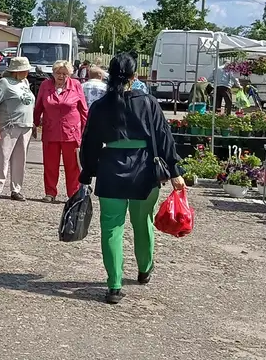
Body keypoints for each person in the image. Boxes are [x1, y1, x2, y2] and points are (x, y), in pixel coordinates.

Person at [79, 53, 186, 305]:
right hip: (144, 168)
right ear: (134, 76)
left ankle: (114, 284)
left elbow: (90, 143)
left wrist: (86, 172)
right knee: (143, 222)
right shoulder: (148, 102)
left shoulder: (100, 105)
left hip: (110, 168)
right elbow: (164, 138)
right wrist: (175, 172)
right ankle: (144, 268)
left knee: (111, 228)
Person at [33, 59, 88, 202]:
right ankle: (50, 193)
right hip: (51, 131)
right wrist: (34, 122)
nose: (61, 76)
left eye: (64, 73)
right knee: (50, 165)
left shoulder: (76, 85)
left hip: (71, 132)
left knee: (72, 167)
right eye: (58, 73)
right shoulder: (46, 85)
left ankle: (73, 194)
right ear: (53, 73)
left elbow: (83, 109)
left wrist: (86, 130)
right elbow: (38, 106)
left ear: (69, 74)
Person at [0, 57, 36, 201]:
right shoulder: (4, 83)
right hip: (8, 126)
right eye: (25, 69)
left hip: (25, 126)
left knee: (20, 160)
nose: (28, 72)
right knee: (1, 158)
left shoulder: (25, 82)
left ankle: (16, 189)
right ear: (16, 71)